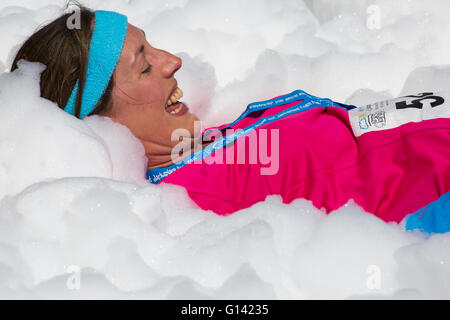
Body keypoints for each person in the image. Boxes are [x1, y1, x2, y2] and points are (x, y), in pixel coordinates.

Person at [10, 5, 450, 231]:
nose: (173, 61)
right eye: (144, 67)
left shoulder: (209, 139)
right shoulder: (192, 202)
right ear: (100, 123)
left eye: (152, 47)